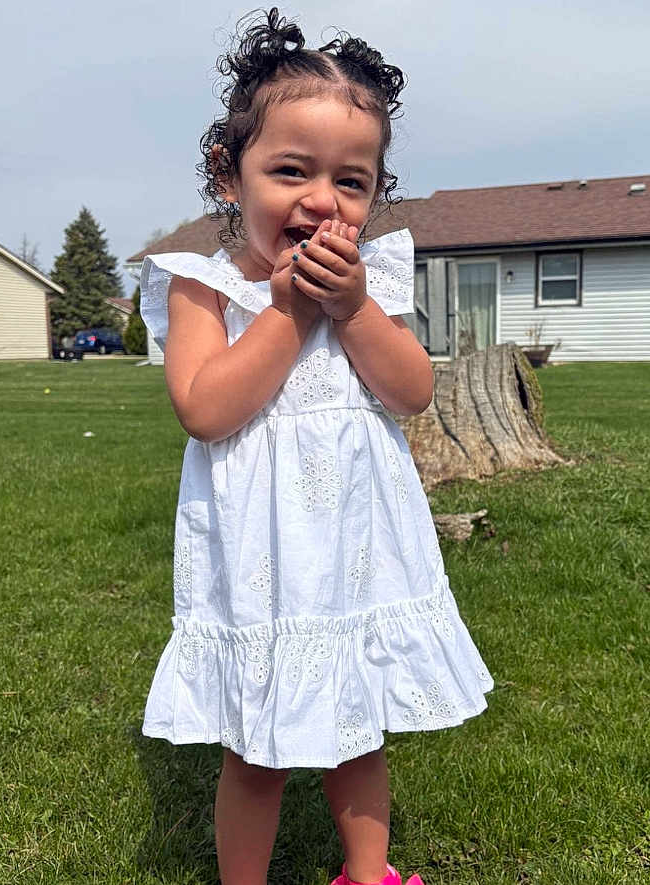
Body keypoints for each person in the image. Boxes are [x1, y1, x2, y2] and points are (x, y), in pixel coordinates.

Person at [138, 8, 493, 885]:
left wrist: (353, 310)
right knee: (256, 746)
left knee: (358, 718)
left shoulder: (369, 282)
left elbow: (411, 391)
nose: (322, 199)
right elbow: (205, 408)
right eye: (290, 170)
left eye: (351, 180)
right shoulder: (204, 287)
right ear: (230, 175)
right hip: (261, 557)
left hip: (356, 549)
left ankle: (367, 872)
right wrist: (292, 311)